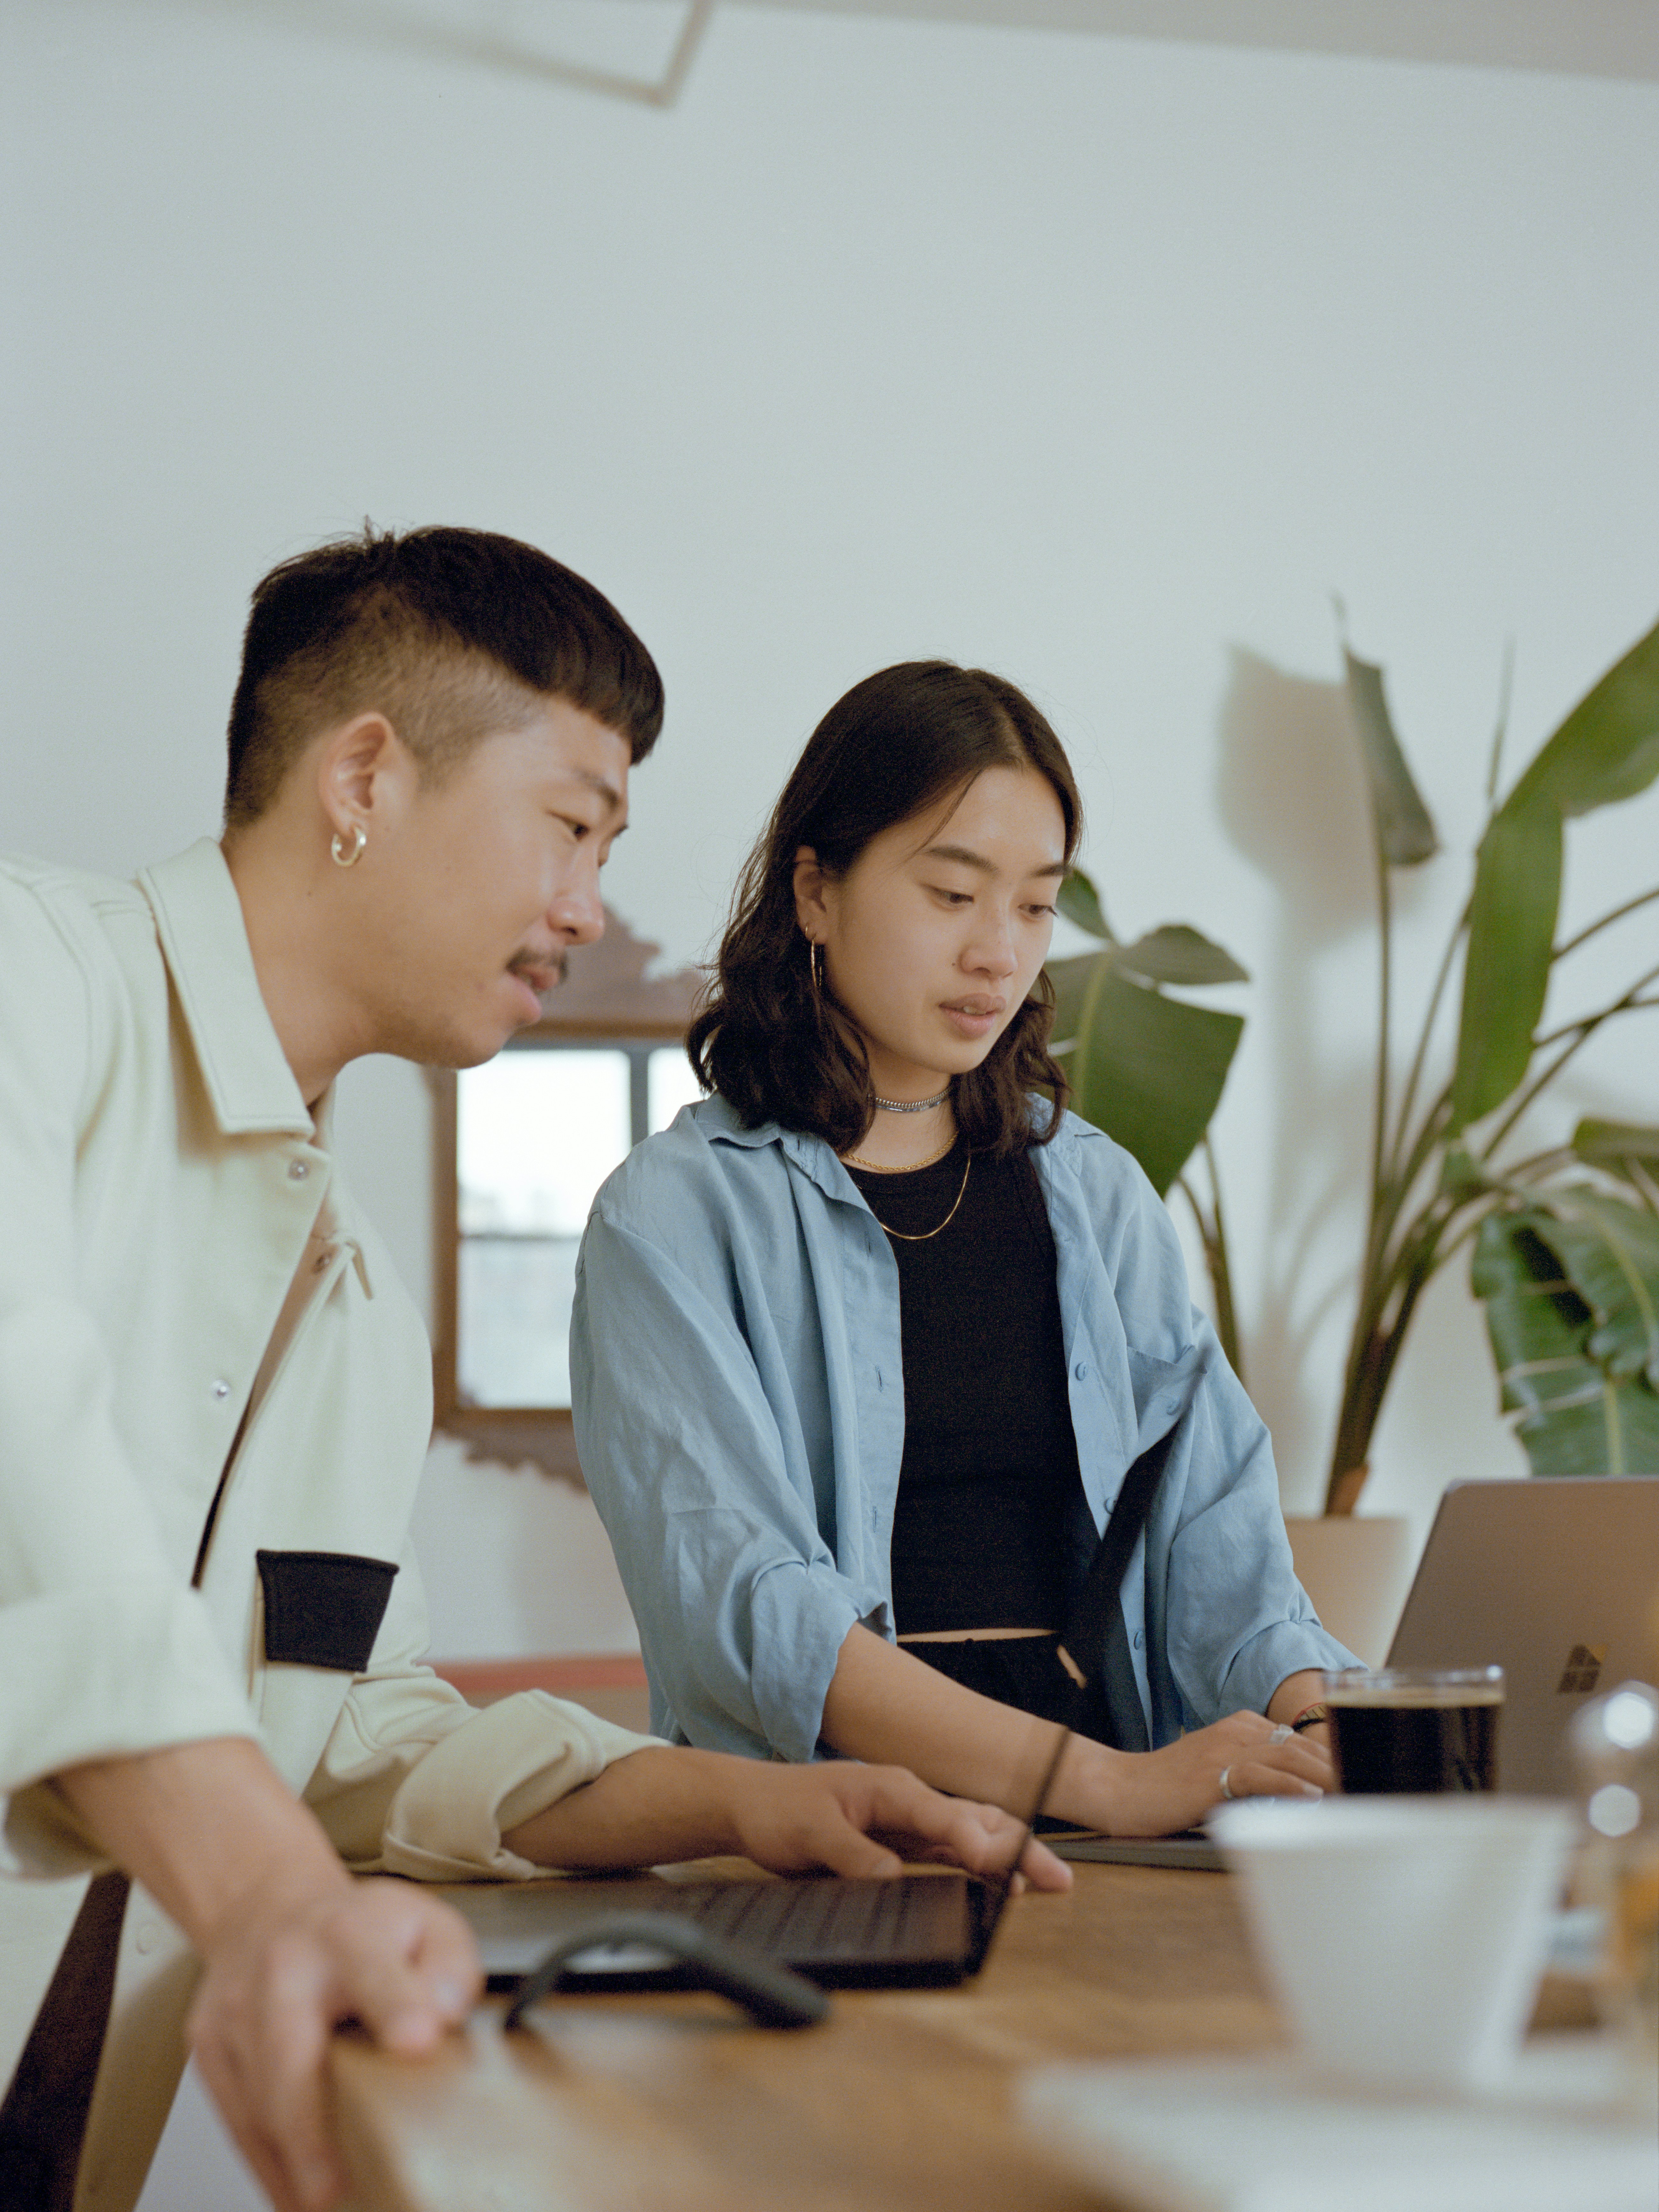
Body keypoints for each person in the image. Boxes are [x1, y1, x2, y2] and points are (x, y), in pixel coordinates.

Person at [0, 543, 1062, 2212]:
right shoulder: (28, 981)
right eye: (570, 826)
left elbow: (357, 1735)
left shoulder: (347, 1306)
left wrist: (738, 1802)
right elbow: (21, 1483)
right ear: (365, 773)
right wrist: (277, 1899)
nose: (586, 904)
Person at [573, 660, 1355, 1839]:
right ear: (816, 892)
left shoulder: (1093, 1193)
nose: (1000, 952)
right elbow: (749, 1609)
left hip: (1117, 1842)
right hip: (830, 1836)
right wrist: (1096, 1783)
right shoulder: (671, 1218)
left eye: (1035, 905)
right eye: (951, 895)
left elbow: (1213, 1532)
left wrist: (1320, 1718)